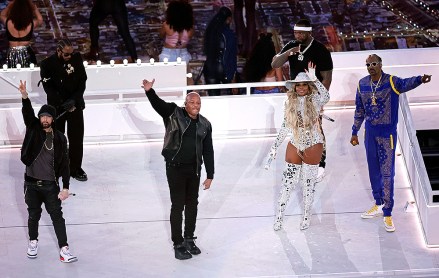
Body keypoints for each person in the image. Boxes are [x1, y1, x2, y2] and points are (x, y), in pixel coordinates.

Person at [350, 54, 432, 232]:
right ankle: (378, 203)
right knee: (373, 171)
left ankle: (387, 212)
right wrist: (354, 131)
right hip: (370, 134)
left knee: (387, 173)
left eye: (374, 64)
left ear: (380, 64)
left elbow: (406, 83)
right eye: (368, 64)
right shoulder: (362, 84)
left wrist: (420, 79)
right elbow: (360, 109)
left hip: (387, 135)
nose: (371, 67)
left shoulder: (392, 82)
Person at [141, 78, 214, 260]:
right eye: (192, 102)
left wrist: (210, 174)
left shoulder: (205, 124)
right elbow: (158, 105)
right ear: (185, 103)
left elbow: (208, 149)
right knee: (178, 205)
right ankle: (178, 243)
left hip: (194, 169)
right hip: (175, 168)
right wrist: (150, 91)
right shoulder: (174, 113)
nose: (195, 105)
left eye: (198, 102)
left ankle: (189, 238)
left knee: (192, 205)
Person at [18, 80, 77, 263]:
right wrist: (25, 97)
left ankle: (64, 249)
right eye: (42, 116)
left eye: (48, 117)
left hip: (51, 186)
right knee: (33, 215)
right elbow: (28, 115)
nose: (44, 119)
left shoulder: (60, 138)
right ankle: (33, 242)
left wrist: (66, 187)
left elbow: (66, 164)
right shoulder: (34, 129)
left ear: (52, 119)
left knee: (57, 218)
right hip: (32, 184)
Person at [265, 62, 329, 231]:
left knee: (308, 184)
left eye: (304, 85)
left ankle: (306, 215)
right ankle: (279, 216)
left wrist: (315, 80)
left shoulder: (315, 99)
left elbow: (326, 97)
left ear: (308, 86)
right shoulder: (289, 103)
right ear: (293, 87)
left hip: (313, 144)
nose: (301, 88)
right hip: (295, 142)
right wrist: (274, 147)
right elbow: (285, 126)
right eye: (298, 85)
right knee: (287, 183)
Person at [272, 18, 333, 182]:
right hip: (295, 95)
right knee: (297, 128)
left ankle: (320, 164)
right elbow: (275, 63)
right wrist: (288, 53)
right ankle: (302, 161)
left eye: (300, 33)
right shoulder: (291, 45)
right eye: (295, 32)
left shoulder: (320, 50)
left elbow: (327, 77)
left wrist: (321, 100)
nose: (297, 35)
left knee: (317, 129)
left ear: (308, 32)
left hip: (313, 96)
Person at [40, 39, 88, 182]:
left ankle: (75, 168)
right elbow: (49, 89)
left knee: (76, 139)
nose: (69, 57)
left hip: (75, 106)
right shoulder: (47, 64)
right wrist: (63, 103)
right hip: (57, 108)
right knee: (57, 139)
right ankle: (57, 168)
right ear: (58, 51)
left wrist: (73, 100)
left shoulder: (77, 59)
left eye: (71, 54)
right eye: (66, 54)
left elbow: (82, 82)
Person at [203, 6, 237, 96]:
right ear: (229, 19)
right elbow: (232, 57)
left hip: (209, 67)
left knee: (213, 98)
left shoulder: (210, 31)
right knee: (232, 98)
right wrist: (233, 78)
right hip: (224, 68)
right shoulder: (229, 34)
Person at [0, 0, 43, 68]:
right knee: (28, 75)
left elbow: (2, 15)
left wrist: (10, 5)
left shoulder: (8, 22)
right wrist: (34, 8)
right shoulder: (30, 24)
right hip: (27, 54)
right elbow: (40, 20)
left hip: (11, 54)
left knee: (12, 76)